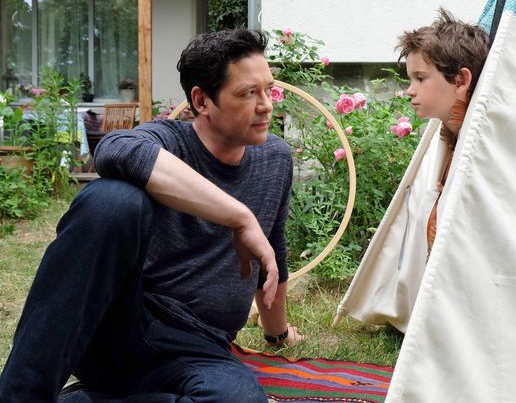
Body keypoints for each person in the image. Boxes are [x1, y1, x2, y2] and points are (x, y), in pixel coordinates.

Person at [0, 29, 304, 402]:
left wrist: (277, 333)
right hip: (118, 327)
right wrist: (239, 217)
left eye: (268, 90)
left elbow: (272, 252)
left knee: (239, 399)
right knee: (113, 199)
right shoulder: (168, 142)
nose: (266, 105)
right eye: (248, 93)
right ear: (202, 100)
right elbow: (115, 148)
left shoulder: (275, 158)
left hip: (197, 348)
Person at [397, 8, 490, 251]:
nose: (410, 90)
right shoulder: (447, 140)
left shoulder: (486, 147)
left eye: (420, 78)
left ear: (460, 81)